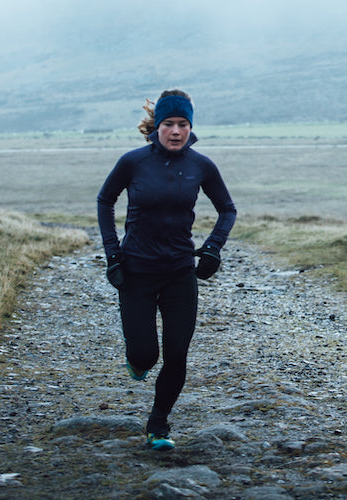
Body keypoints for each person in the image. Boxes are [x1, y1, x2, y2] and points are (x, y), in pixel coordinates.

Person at [97, 89, 236, 450]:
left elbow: (227, 209)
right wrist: (113, 254)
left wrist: (212, 249)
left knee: (177, 353)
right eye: (169, 124)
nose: (176, 131)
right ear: (156, 126)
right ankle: (137, 360)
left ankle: (158, 425)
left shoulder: (201, 166)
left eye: (183, 124)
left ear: (191, 127)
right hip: (136, 272)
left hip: (179, 272)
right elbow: (105, 200)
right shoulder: (133, 162)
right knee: (145, 355)